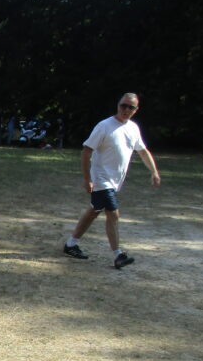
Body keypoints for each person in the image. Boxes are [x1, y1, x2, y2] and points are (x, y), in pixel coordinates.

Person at [63, 93, 160, 269]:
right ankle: (118, 255)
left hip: (114, 181)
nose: (126, 110)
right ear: (118, 105)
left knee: (94, 210)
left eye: (131, 107)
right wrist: (87, 179)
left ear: (136, 110)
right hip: (101, 179)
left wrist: (154, 171)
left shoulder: (133, 128)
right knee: (113, 213)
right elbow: (86, 151)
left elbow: (143, 151)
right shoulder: (104, 126)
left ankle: (70, 244)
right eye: (123, 105)